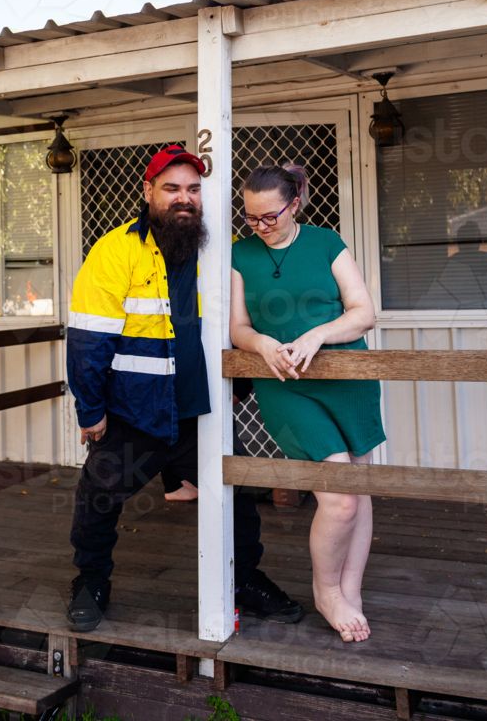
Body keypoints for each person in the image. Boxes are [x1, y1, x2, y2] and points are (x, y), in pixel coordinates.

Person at [66, 145, 304, 632]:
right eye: (172, 188)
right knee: (99, 496)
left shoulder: (219, 250)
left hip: (201, 411)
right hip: (135, 411)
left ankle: (245, 580)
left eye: (193, 189)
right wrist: (90, 410)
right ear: (148, 191)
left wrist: (240, 380)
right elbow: (88, 340)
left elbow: (240, 320)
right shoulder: (114, 251)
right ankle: (91, 582)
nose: (184, 198)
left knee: (236, 494)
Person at [230, 163, 385, 644]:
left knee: (358, 490)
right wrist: (260, 345)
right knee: (338, 499)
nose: (258, 226)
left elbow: (364, 313)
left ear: (294, 204)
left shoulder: (326, 243)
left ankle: (350, 591)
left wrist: (317, 333)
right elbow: (237, 327)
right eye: (250, 217)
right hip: (285, 381)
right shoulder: (239, 255)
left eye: (269, 216)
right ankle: (326, 591)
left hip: (348, 377)